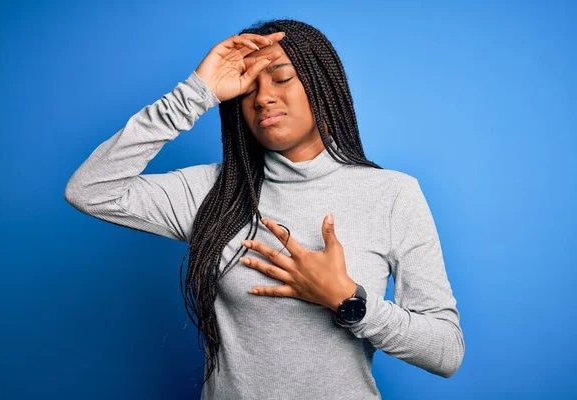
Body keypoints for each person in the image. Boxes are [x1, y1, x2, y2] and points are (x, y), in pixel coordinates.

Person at [65, 18, 464, 400]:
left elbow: (446, 352)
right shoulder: (213, 191)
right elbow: (90, 190)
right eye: (247, 88)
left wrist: (348, 300)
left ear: (323, 89)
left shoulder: (392, 195)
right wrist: (196, 92)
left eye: (281, 77)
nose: (263, 97)